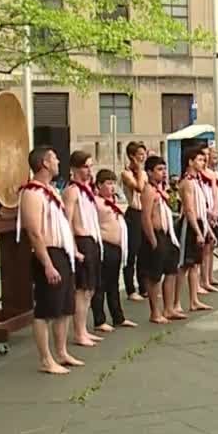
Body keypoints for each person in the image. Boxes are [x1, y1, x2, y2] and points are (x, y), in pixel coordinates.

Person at [19, 147, 82, 374]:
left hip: (62, 252)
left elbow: (63, 223)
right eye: (55, 158)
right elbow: (34, 232)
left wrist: (72, 251)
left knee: (65, 307)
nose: (58, 162)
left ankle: (62, 352)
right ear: (45, 163)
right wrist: (47, 264)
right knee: (46, 310)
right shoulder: (32, 194)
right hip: (47, 254)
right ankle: (46, 359)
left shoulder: (52, 190)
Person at [61, 151, 104, 348]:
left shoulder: (87, 190)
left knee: (90, 290)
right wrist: (74, 248)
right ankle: (78, 332)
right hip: (81, 239)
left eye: (90, 166)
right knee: (82, 290)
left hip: (93, 239)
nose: (89, 170)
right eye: (86, 166)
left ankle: (84, 329)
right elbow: (67, 221)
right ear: (76, 169)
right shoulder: (72, 191)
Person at [91, 169, 137, 332]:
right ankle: (99, 319)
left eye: (113, 183)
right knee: (101, 285)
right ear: (99, 185)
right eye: (108, 183)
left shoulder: (114, 201)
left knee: (113, 284)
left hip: (117, 247)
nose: (112, 187)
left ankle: (118, 317)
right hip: (104, 245)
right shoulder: (95, 202)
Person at [138, 155, 182, 323]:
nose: (164, 173)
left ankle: (169, 308)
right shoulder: (149, 190)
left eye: (164, 169)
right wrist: (152, 240)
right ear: (149, 172)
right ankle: (155, 311)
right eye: (159, 170)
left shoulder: (161, 189)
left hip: (167, 233)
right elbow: (146, 217)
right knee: (154, 274)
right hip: (156, 234)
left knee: (171, 271)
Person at [177, 145, 214, 312]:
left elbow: (201, 208)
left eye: (203, 159)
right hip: (190, 225)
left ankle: (194, 300)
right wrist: (198, 232)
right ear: (190, 162)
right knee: (184, 264)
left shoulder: (197, 182)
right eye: (199, 159)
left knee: (195, 265)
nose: (202, 162)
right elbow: (189, 209)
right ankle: (176, 302)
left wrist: (208, 230)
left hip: (200, 223)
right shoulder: (187, 183)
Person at [120, 141, 148, 302]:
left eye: (144, 154)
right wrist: (138, 170)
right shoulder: (126, 173)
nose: (143, 157)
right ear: (132, 156)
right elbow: (138, 188)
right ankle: (130, 289)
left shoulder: (143, 173)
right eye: (139, 154)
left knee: (144, 252)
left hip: (144, 212)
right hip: (133, 213)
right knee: (132, 253)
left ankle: (144, 286)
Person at [201, 145, 218, 293]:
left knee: (212, 247)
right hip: (206, 212)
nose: (213, 160)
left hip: (215, 211)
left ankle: (210, 276)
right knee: (205, 249)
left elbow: (216, 194)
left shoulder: (214, 173)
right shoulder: (202, 174)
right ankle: (203, 279)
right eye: (211, 157)